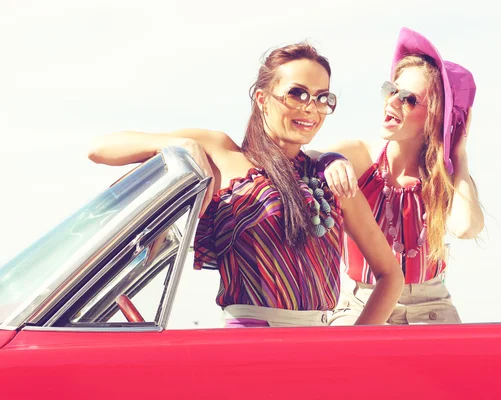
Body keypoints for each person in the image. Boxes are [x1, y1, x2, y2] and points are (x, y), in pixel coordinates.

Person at [88, 42, 404, 328]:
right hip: (248, 344)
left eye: (323, 98)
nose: (310, 108)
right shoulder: (224, 153)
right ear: (262, 99)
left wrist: (353, 345)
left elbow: (390, 276)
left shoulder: (329, 177)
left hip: (319, 344)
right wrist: (180, 144)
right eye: (297, 93)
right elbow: (100, 148)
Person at [316, 27, 484, 325]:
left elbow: (466, 228)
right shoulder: (359, 157)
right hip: (361, 303)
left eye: (407, 99)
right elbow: (305, 161)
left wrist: (459, 157)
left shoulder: (442, 176)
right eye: (390, 90)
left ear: (436, 115)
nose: (391, 102)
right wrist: (328, 162)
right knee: (347, 368)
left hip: (432, 306)